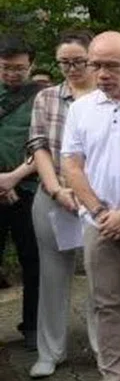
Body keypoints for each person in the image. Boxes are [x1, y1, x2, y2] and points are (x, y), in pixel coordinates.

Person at [61, 31, 120, 381]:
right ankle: (113, 380)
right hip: (98, 221)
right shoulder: (81, 109)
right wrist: (99, 212)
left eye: (111, 65)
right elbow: (71, 164)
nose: (102, 73)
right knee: (105, 305)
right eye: (95, 65)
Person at [26, 30, 99, 379]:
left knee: (102, 278)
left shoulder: (106, 97)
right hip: (53, 196)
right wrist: (56, 189)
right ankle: (50, 351)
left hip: (97, 201)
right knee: (52, 278)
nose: (70, 68)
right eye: (63, 63)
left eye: (78, 61)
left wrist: (85, 194)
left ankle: (105, 349)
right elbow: (38, 145)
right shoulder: (47, 98)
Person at [0, 35, 41, 349]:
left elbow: (44, 143)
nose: (12, 73)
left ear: (31, 66)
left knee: (33, 260)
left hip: (27, 190)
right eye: (6, 67)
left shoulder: (40, 97)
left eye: (19, 68)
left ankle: (32, 326)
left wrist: (13, 180)